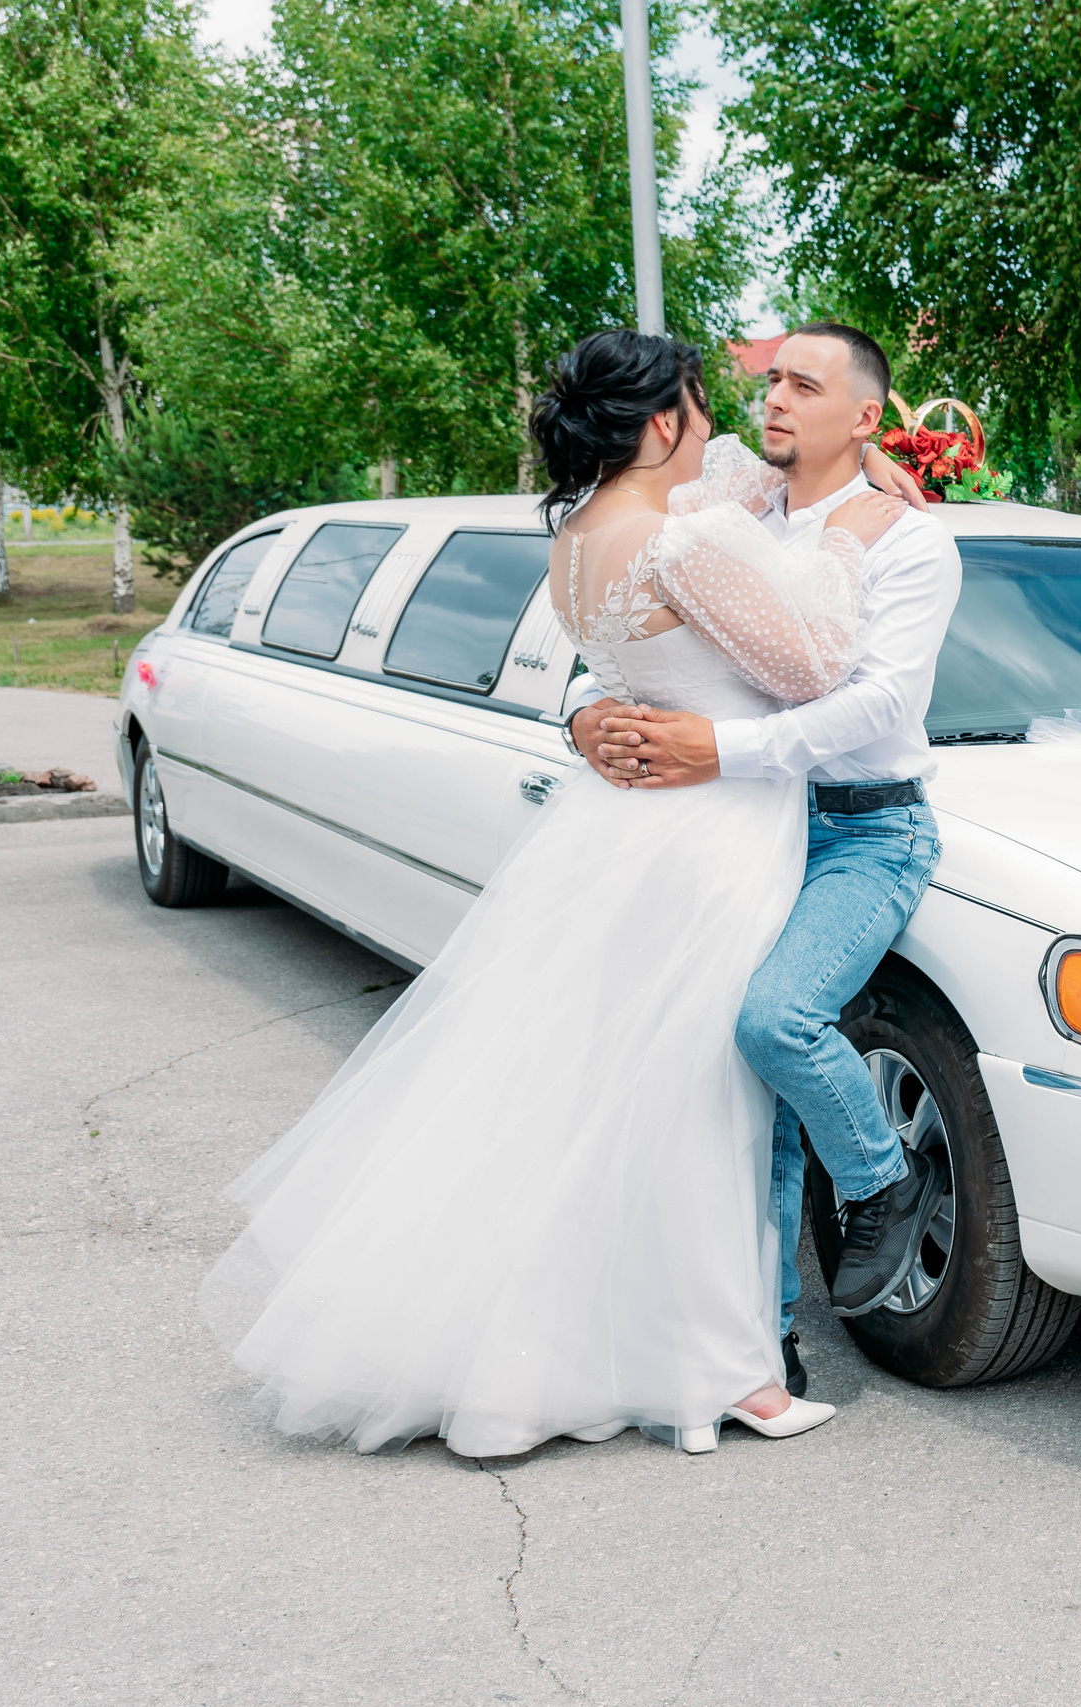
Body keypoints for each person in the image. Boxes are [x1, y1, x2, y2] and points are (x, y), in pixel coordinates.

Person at [200, 329, 910, 1457]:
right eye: (697, 404)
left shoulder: (584, 534)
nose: (725, 422)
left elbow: (667, 607)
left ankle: (609, 1350)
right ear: (662, 422)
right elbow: (817, 666)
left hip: (613, 834)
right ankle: (725, 1375)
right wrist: (856, 535)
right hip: (704, 840)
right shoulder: (689, 542)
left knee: (596, 1092)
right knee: (699, 1109)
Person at [564, 323, 960, 1358]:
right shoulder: (716, 505)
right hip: (742, 830)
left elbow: (875, 707)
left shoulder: (906, 538)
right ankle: (765, 1338)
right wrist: (580, 714)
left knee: (776, 1022)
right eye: (772, 380)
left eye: (804, 385)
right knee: (748, 1103)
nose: (773, 398)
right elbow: (621, 623)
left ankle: (885, 1178)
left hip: (864, 831)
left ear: (866, 417)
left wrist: (721, 752)